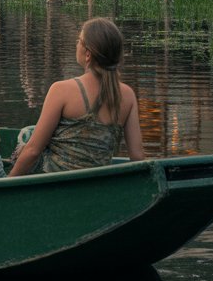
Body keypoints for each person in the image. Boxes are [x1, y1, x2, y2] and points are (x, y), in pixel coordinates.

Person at [8, 17, 144, 176]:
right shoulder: (127, 95)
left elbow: (33, 151)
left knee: (27, 139)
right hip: (97, 186)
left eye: (79, 40)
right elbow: (137, 156)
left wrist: (8, 183)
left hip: (56, 185)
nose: (76, 44)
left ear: (88, 54)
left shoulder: (61, 90)